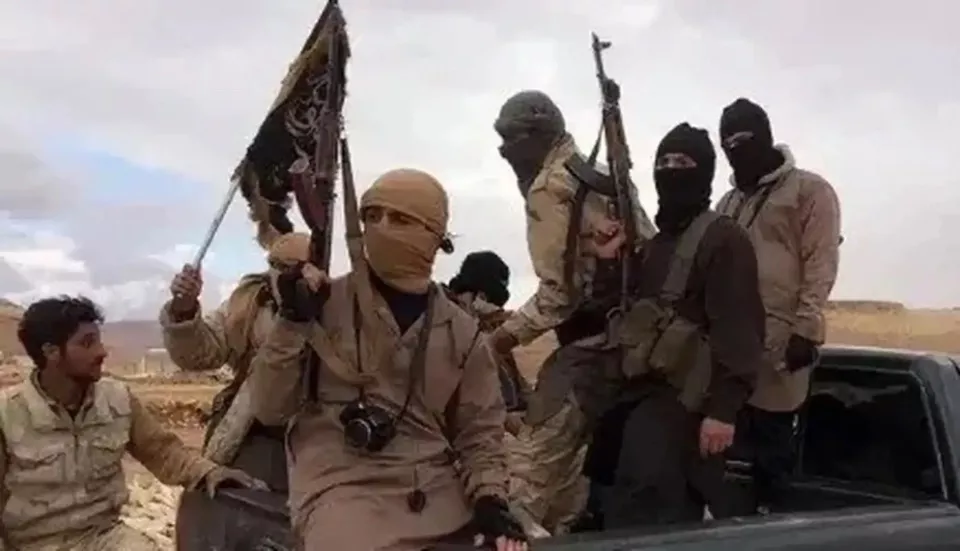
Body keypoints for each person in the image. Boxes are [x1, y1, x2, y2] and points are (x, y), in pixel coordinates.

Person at [248, 168, 528, 551]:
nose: (381, 228)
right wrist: (292, 322)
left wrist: (490, 498)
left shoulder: (462, 332)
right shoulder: (323, 303)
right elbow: (270, 408)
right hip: (341, 480)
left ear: (435, 235)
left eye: (399, 218)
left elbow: (479, 433)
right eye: (371, 216)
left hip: (434, 487)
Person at [489, 89, 657, 535]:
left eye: (509, 138)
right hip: (637, 340)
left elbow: (557, 295)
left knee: (524, 483)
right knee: (572, 479)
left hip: (589, 346)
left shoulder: (549, 188)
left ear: (535, 136)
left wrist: (499, 340)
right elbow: (648, 243)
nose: (504, 151)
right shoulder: (602, 177)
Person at [590, 122, 765, 527]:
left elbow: (739, 328)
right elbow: (617, 312)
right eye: (663, 162)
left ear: (704, 171)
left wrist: (723, 411)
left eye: (682, 162)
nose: (670, 170)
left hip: (685, 407)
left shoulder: (723, 239)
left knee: (656, 518)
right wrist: (607, 261)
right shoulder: (655, 245)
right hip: (636, 399)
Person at [0, 296, 262, 551]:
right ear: (51, 352)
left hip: (104, 537)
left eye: (98, 340)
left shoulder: (117, 399)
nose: (101, 352)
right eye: (87, 343)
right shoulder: (7, 414)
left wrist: (208, 472)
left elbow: (163, 452)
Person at [716, 98, 842, 513]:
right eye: (728, 144)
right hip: (733, 355)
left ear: (766, 138)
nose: (736, 150)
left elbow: (820, 262)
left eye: (744, 139)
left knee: (775, 471)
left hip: (781, 352)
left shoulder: (809, 191)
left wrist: (805, 329)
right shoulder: (727, 204)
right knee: (731, 473)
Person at [160, 231, 314, 490]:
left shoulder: (337, 308)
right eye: (278, 267)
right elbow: (200, 354)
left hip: (314, 437)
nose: (284, 275)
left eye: (293, 269)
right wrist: (184, 310)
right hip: (251, 432)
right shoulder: (247, 306)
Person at [445, 250, 530, 433]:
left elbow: (515, 386)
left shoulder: (484, 327)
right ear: (480, 296)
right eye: (488, 300)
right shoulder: (441, 321)